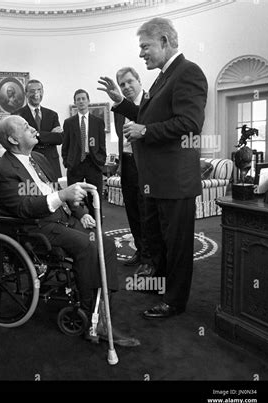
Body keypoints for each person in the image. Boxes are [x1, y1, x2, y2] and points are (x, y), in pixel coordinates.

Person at [0, 115, 140, 347]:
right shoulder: (2, 169)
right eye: (25, 127)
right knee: (88, 247)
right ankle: (92, 318)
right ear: (12, 138)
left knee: (106, 243)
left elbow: (59, 190)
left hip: (62, 220)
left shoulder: (38, 158)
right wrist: (62, 196)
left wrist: (81, 213)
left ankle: (102, 310)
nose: (32, 128)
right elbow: (23, 207)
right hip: (35, 228)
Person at [98, 17, 208, 318]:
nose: (142, 53)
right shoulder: (163, 76)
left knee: (177, 247)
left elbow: (189, 124)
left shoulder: (188, 73)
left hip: (175, 181)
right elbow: (148, 117)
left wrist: (144, 132)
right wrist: (121, 102)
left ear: (164, 41)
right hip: (158, 180)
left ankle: (174, 302)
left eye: (145, 47)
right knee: (158, 242)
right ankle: (159, 285)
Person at [114, 67, 155, 277]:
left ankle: (149, 259)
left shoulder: (151, 102)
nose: (126, 87)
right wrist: (121, 164)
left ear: (139, 80)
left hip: (145, 165)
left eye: (130, 82)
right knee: (132, 210)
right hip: (128, 165)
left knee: (146, 213)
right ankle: (140, 251)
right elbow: (122, 141)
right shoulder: (120, 109)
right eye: (122, 84)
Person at [62, 89, 106, 220]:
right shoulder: (69, 122)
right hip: (75, 164)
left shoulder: (97, 121)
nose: (81, 101)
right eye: (78, 99)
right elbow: (66, 145)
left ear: (88, 101)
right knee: (74, 200)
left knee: (95, 197)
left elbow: (102, 144)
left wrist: (101, 160)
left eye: (83, 98)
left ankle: (97, 226)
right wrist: (66, 162)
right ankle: (77, 226)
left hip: (93, 163)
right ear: (75, 102)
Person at [13, 79, 64, 178]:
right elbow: (22, 139)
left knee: (54, 191)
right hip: (30, 161)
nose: (36, 94)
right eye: (32, 91)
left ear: (43, 92)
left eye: (39, 90)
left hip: (51, 161)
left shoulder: (52, 115)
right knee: (33, 191)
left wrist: (35, 134)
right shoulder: (17, 115)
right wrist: (49, 135)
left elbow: (59, 139)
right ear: (26, 93)